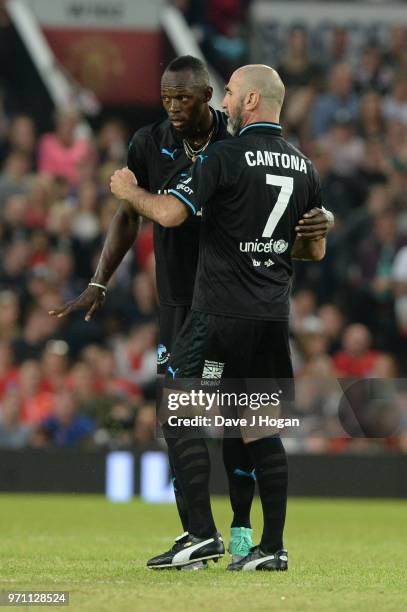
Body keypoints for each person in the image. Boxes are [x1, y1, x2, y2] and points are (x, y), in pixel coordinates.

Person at [50, 56, 333, 565]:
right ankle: (232, 539)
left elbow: (168, 212)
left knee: (193, 415)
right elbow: (300, 234)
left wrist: (130, 190)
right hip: (229, 303)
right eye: (167, 98)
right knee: (245, 420)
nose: (176, 106)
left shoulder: (228, 149)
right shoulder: (157, 143)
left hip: (216, 303)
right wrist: (99, 280)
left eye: (192, 96)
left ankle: (232, 532)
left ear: (214, 97)